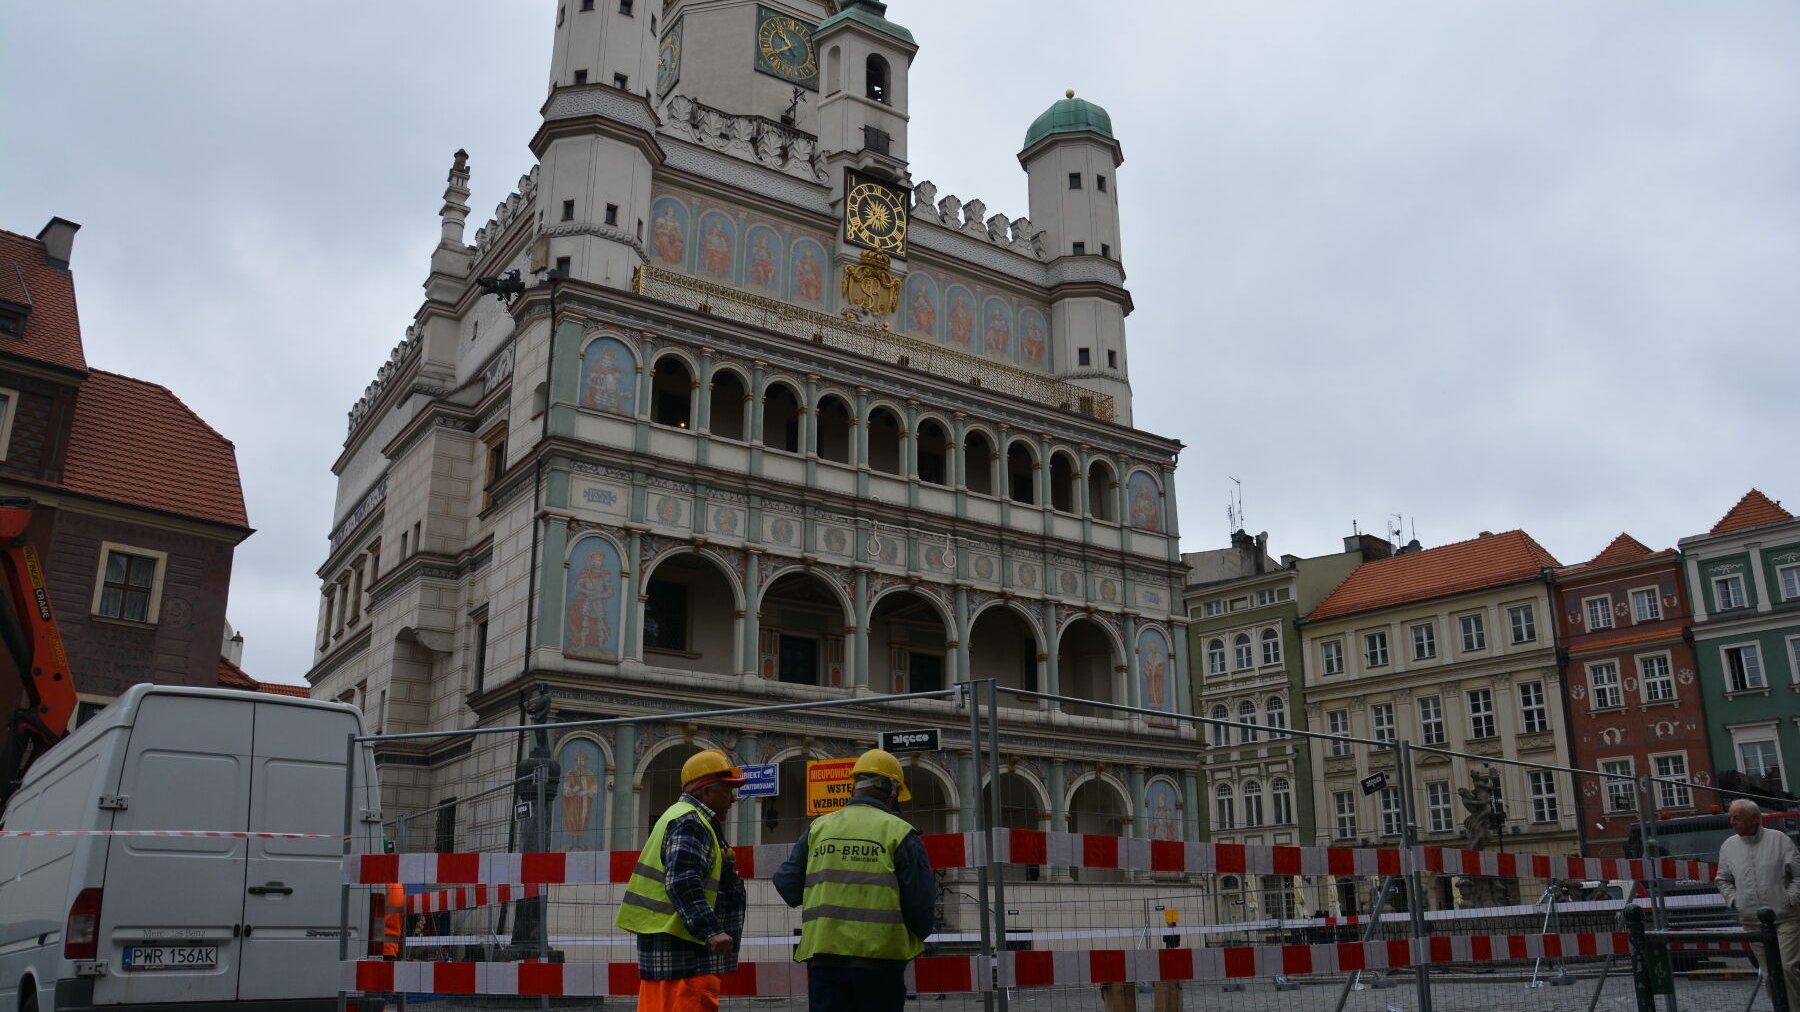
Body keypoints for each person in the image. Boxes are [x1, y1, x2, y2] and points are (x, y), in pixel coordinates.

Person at [773, 748, 935, 1012]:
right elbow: (921, 906)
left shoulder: (819, 828)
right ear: (892, 791)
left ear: (854, 787)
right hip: (881, 960)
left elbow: (787, 885)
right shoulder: (901, 833)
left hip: (825, 958)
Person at [615, 749, 749, 1012]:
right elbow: (682, 880)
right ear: (708, 791)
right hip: (686, 956)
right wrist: (711, 930)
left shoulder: (679, 816)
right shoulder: (691, 822)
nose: (733, 799)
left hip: (670, 951)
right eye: (727, 791)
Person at [1717, 798, 1800, 1001]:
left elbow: (1798, 874)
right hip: (1752, 920)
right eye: (1731, 818)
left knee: (1787, 966)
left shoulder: (1779, 840)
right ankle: (1780, 1007)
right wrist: (1735, 900)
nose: (1732, 822)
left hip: (1785, 916)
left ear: (1755, 819)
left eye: (1738, 818)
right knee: (1768, 973)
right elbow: (1722, 879)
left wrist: (1791, 898)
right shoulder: (1728, 846)